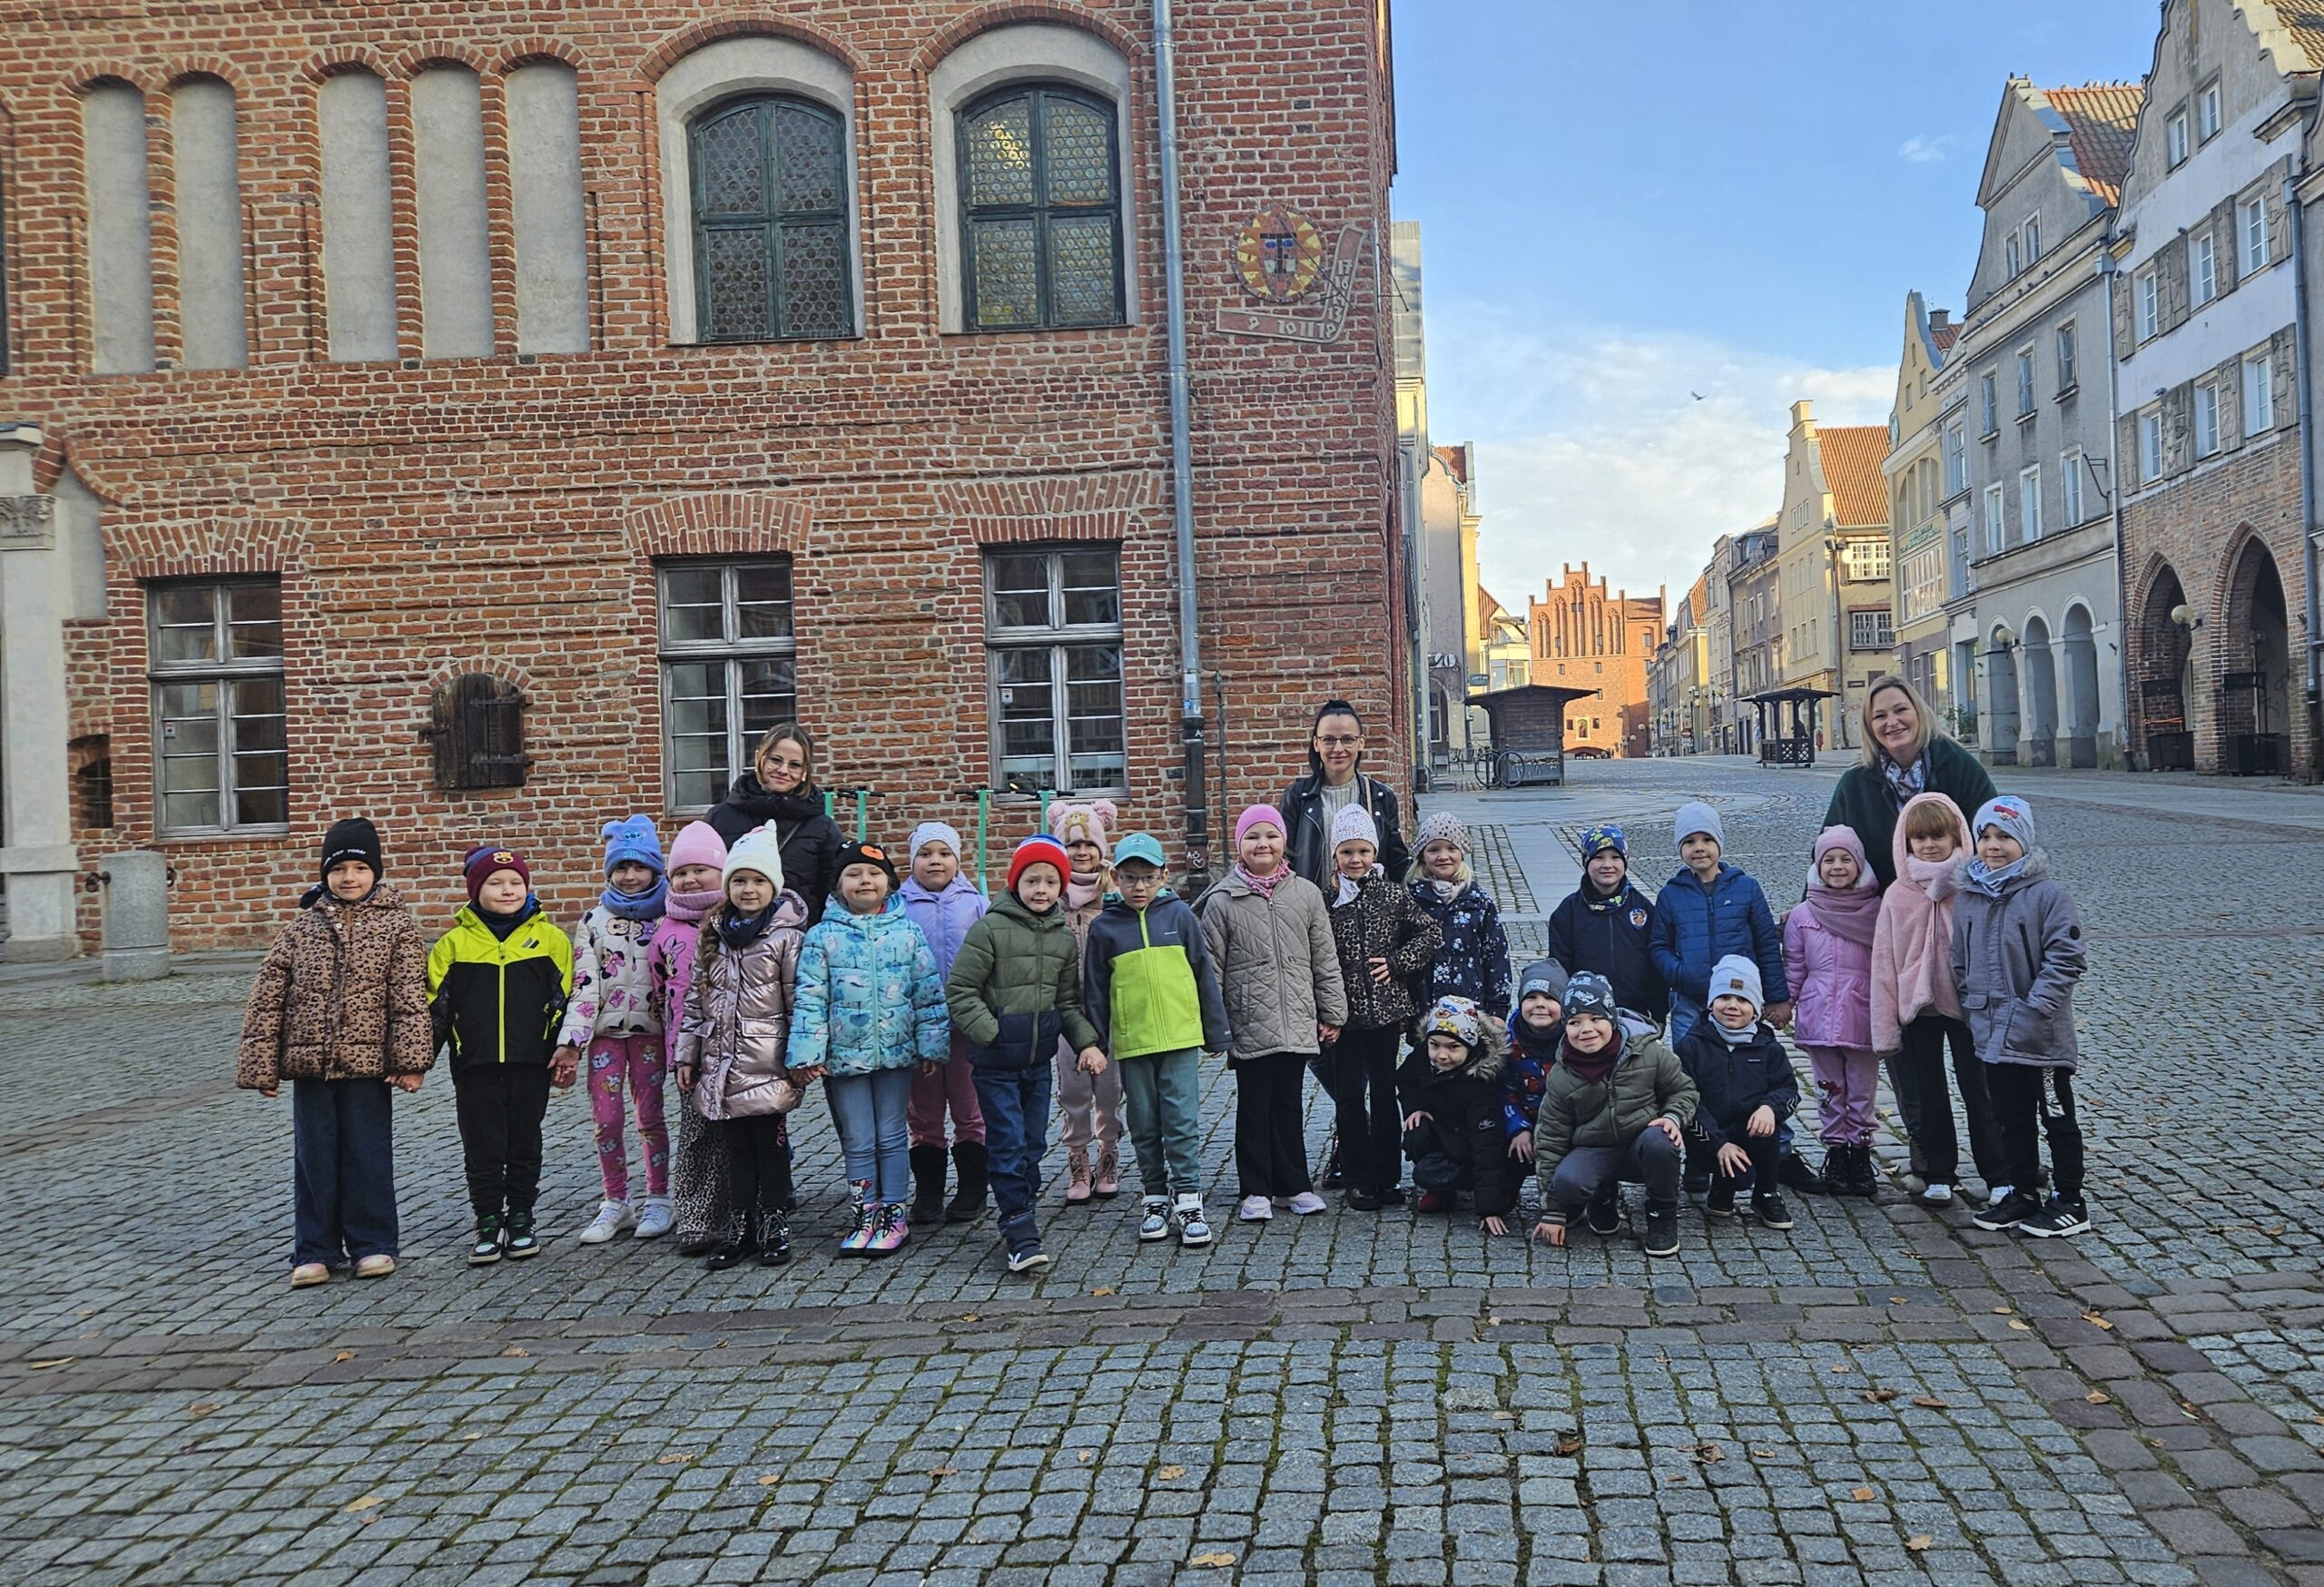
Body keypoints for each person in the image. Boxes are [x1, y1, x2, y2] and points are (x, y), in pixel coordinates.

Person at [236, 818, 432, 1287]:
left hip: (369, 1068)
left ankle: (373, 1243)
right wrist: (263, 1068)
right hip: (313, 1067)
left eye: (359, 869)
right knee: (315, 1158)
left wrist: (410, 1062)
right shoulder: (301, 928)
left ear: (375, 872)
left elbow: (409, 997)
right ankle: (315, 1248)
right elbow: (268, 998)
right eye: (339, 869)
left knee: (368, 1155)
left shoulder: (398, 927)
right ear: (325, 873)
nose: (349, 878)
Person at [947, 834, 1106, 1273]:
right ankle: (1019, 1229)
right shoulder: (990, 929)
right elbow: (961, 990)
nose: (1041, 889)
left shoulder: (1061, 938)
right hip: (996, 1065)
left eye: (1051, 882)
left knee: (1033, 1144)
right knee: (1008, 1143)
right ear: (1015, 882)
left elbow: (1067, 1002)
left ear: (1061, 887)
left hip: (1037, 1065)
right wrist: (992, 1032)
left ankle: (1023, 1207)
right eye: (1032, 880)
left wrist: (1087, 1043)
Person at [792, 839, 949, 1257]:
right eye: (854, 874)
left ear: (889, 883)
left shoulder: (907, 932)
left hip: (896, 1055)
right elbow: (810, 998)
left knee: (892, 1135)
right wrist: (808, 1054)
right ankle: (865, 1213)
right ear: (838, 885)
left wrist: (931, 1045)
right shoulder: (821, 936)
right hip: (845, 1059)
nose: (865, 881)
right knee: (859, 1138)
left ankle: (894, 1214)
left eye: (874, 874)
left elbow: (928, 993)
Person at [1198, 804, 1349, 1223]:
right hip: (1248, 1019)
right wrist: (1215, 1027)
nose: (1262, 844)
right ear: (1239, 845)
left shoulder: (1306, 894)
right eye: (1252, 837)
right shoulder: (1223, 900)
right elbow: (1211, 969)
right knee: (1254, 1106)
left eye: (1270, 836)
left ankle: (1293, 1185)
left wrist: (1332, 1012)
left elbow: (1324, 957)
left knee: (1288, 1104)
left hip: (1296, 1015)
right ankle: (1256, 1189)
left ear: (1284, 842)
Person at [671, 823, 812, 1269]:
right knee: (736, 1150)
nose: (748, 890)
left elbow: (800, 1001)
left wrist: (802, 1056)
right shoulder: (714, 935)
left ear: (774, 886)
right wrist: (687, 1054)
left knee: (770, 1147)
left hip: (768, 1063)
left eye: (758, 881)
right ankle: (741, 1224)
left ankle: (774, 1223)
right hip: (722, 1064)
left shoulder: (787, 938)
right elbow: (695, 1002)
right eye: (739, 880)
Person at [1082, 832, 1231, 1247]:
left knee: (1181, 1121)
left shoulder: (1179, 916)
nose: (1139, 887)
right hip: (1134, 1043)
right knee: (1144, 1123)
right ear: (1115, 878)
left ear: (1164, 876)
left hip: (1181, 1039)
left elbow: (1203, 973)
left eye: (1148, 878)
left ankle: (1189, 1198)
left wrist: (1216, 1031)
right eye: (1130, 878)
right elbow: (1095, 991)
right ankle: (1155, 1197)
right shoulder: (1104, 928)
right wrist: (1093, 1043)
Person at [428, 845, 575, 1266]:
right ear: (475, 891)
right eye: (495, 883)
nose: (507, 890)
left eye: (515, 882)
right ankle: (488, 1220)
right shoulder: (452, 945)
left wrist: (566, 1051)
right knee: (483, 1146)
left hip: (532, 1063)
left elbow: (565, 1001)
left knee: (524, 1142)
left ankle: (522, 1218)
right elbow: (436, 1010)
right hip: (474, 1066)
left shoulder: (551, 941)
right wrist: (417, 1064)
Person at [1956, 797, 2091, 1239]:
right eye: (1985, 837)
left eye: (2004, 837)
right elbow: (1960, 960)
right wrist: (1971, 1001)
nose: (1993, 846)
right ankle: (2022, 1192)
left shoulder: (2048, 896)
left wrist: (2036, 1007)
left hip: (2040, 1037)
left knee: (2056, 1117)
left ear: (2024, 842)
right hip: (1991, 1033)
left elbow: (2066, 958)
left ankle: (2070, 1200)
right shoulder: (1970, 897)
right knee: (2009, 1118)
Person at [1871, 792, 2004, 1208]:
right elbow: (1884, 962)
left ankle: (1999, 1173)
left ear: (1956, 837)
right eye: (1920, 838)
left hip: (1970, 1008)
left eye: (1937, 837)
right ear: (1906, 842)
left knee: (1981, 1091)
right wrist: (1885, 1025)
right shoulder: (1898, 895)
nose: (1929, 846)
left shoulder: (1974, 889)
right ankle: (1938, 1172)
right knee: (1928, 1094)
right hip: (1918, 1010)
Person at [556, 816, 674, 1245]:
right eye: (621, 867)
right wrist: (572, 1042)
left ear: (655, 870)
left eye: (639, 866)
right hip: (606, 1037)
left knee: (650, 1117)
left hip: (651, 1036)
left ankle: (658, 1197)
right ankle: (616, 1199)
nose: (630, 875)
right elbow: (584, 985)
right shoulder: (593, 920)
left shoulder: (669, 916)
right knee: (606, 1121)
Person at [1527, 972, 1699, 1258]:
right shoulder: (1561, 1076)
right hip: (1594, 1148)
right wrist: (1553, 1211)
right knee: (1568, 1182)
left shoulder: (1649, 1053)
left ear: (1612, 1019)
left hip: (1642, 1142)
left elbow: (1684, 1090)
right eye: (1574, 1022)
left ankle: (1662, 1216)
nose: (1586, 1029)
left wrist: (1673, 1116)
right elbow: (1550, 1139)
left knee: (1662, 1141)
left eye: (1596, 1019)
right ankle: (1602, 1195)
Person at [1322, 805, 1442, 1209]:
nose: (1355, 860)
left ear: (1374, 853)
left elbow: (1429, 933)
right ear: (1335, 856)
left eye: (1363, 851)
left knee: (1384, 1094)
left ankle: (1387, 1175)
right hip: (1344, 1016)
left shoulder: (1392, 895)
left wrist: (1397, 963)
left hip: (1386, 1013)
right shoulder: (1327, 901)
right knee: (1349, 1098)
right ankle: (1357, 1177)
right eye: (1347, 852)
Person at [1824, 675, 1997, 891]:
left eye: (1900, 710)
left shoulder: (1959, 767)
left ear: (1918, 712)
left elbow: (1992, 834)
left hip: (1956, 900)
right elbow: (1827, 850)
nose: (1892, 722)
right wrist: (1811, 907)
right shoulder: (1855, 783)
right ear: (1870, 726)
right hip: (1881, 905)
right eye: (1880, 716)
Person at [1782, 827, 1883, 1198]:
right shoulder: (1803, 915)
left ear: (1859, 863)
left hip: (1863, 1015)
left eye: (1845, 859)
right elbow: (1794, 965)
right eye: (1829, 860)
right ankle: (1837, 1153)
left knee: (1862, 1092)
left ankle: (1861, 1153)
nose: (1837, 867)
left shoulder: (1876, 911)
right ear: (1817, 865)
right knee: (1829, 1090)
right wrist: (1786, 1003)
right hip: (1819, 1014)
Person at [899, 821, 990, 1227]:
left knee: (971, 1110)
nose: (935, 861)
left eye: (944, 853)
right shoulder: (898, 907)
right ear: (912, 861)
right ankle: (929, 1191)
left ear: (958, 860)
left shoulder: (976, 905)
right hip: (919, 1030)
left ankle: (972, 1189)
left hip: (966, 1028)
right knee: (924, 1114)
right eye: (925, 854)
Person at [649, 820, 733, 1256]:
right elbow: (659, 993)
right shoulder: (665, 930)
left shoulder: (735, 922)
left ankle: (744, 1211)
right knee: (698, 1135)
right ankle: (697, 1217)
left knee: (742, 1136)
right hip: (689, 1055)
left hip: (738, 1050)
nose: (691, 879)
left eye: (701, 869)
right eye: (681, 872)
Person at [1673, 955, 1798, 1229]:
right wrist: (1718, 1143)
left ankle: (1766, 1193)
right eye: (1724, 997)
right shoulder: (1691, 1046)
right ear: (1711, 1003)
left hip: (1749, 1131)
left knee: (1767, 1128)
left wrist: (1770, 1108)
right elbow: (1685, 1099)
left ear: (1755, 1010)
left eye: (1742, 999)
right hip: (1706, 1136)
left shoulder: (1769, 1049)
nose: (1732, 1005)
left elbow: (1788, 1089)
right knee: (1737, 1174)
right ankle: (1723, 1186)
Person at [1049, 799, 1126, 1203]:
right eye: (1072, 844)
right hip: (1066, 1011)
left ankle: (1108, 1154)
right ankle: (1077, 1158)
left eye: (1089, 844)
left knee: (1110, 1088)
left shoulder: (1115, 893)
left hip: (1110, 1010)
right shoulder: (1050, 896)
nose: (1081, 852)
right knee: (1074, 1089)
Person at [704, 723, 847, 924]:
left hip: (800, 932)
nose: (783, 770)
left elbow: (833, 891)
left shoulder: (822, 827)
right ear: (758, 758)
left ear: (805, 771)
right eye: (775, 760)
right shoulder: (721, 817)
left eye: (794, 765)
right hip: (733, 932)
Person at [1399, 996, 1521, 1233]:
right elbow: (1406, 1082)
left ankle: (1499, 1185)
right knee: (1416, 1135)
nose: (1442, 1055)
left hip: (1475, 1144)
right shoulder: (1422, 1059)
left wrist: (1489, 1208)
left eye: (1453, 1047)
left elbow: (1487, 1144)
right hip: (1446, 1135)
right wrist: (1414, 1108)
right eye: (1435, 1045)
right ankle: (1442, 1191)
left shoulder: (1481, 1082)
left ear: (1470, 1045)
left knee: (1490, 1162)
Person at [1280, 697, 1412, 888]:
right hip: (1312, 903)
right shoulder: (1297, 798)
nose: (1338, 749)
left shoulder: (1381, 797)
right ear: (1316, 744)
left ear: (1361, 743)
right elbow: (1285, 861)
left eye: (1348, 739)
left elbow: (1397, 862)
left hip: (1368, 905)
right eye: (1328, 740)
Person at [1546, 824, 1667, 1029]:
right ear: (1586, 861)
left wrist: (1659, 1013)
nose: (1607, 865)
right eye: (1599, 858)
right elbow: (1560, 968)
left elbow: (1656, 966)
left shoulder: (1643, 909)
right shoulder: (1568, 912)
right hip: (1587, 1014)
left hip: (1634, 1012)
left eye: (1615, 857)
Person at [1407, 812, 1512, 1020]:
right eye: (1434, 850)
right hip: (1425, 1006)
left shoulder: (1478, 901)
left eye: (1451, 848)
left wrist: (1498, 1009)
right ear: (1422, 855)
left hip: (1470, 1004)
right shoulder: (1411, 900)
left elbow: (1496, 954)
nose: (1443, 856)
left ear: (1462, 853)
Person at [1502, 961, 1566, 1178]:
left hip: (1565, 1126)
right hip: (1523, 1120)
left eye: (1550, 998)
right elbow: (1504, 1092)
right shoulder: (1506, 1044)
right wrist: (1518, 1128)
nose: (1540, 1004)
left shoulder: (1575, 1041)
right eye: (1531, 997)